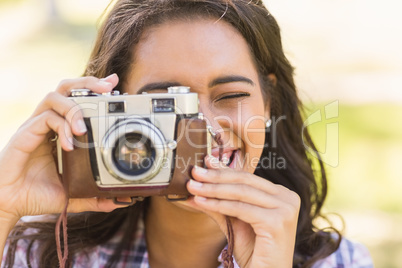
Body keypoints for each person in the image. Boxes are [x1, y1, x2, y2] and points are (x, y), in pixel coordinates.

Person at [0, 0, 373, 267]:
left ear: (269, 102)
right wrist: (3, 208)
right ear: (112, 112)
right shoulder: (40, 254)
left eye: (231, 96)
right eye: (165, 104)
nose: (204, 130)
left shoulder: (343, 263)